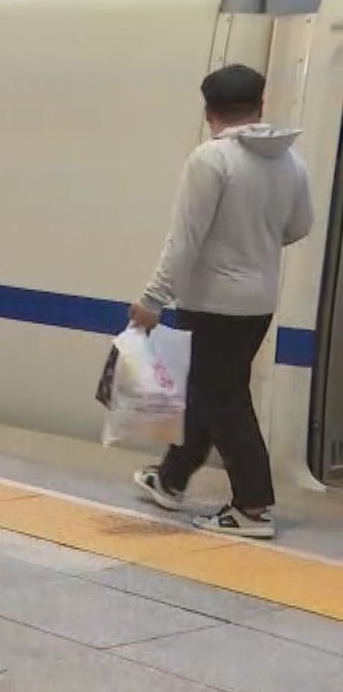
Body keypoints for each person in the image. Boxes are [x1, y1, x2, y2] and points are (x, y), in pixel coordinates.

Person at [131, 65, 312, 539]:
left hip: (211, 299)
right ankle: (170, 478)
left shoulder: (211, 160)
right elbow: (299, 227)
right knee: (211, 390)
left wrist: (152, 298)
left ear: (210, 111)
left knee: (223, 397)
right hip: (258, 301)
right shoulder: (290, 161)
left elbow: (184, 241)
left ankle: (252, 507)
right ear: (260, 105)